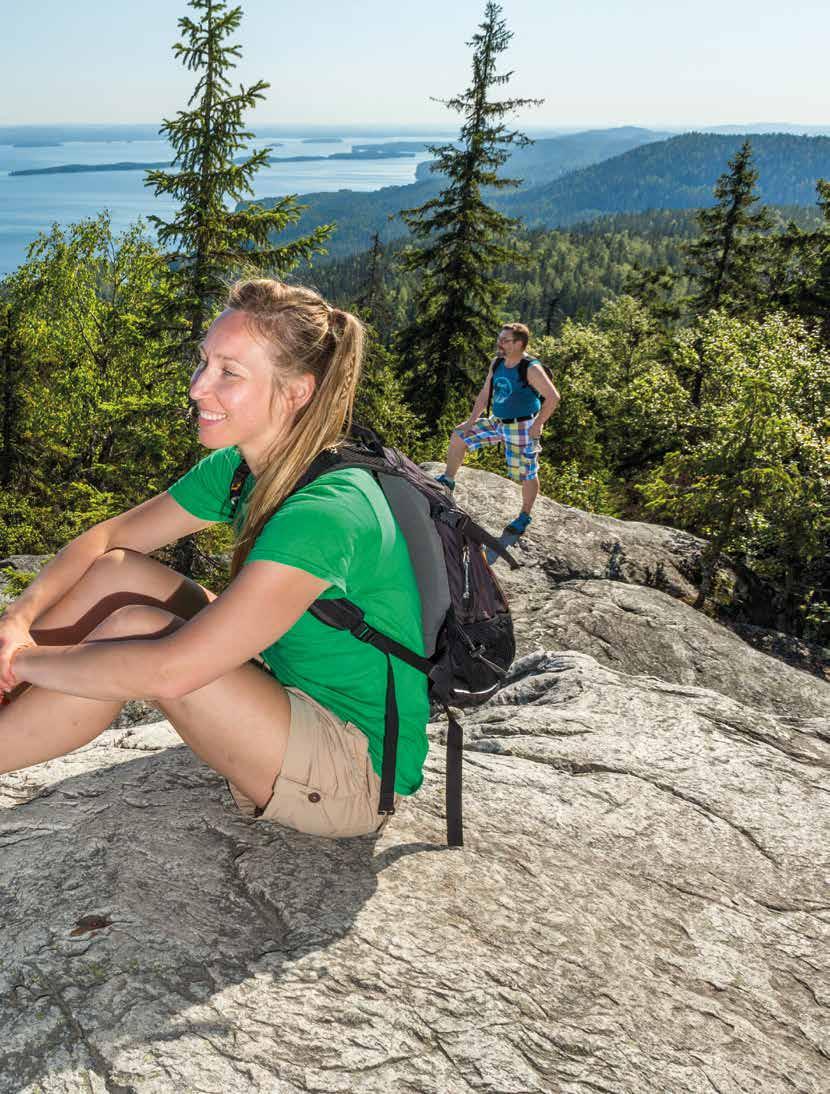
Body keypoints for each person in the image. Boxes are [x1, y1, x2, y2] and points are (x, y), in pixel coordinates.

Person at [0, 279, 429, 839]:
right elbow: (106, 541)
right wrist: (18, 621)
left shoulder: (327, 511)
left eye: (230, 372)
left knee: (138, 631)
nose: (199, 386)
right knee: (118, 574)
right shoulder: (245, 469)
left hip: (350, 769)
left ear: (297, 391)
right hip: (286, 688)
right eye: (204, 361)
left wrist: (23, 663)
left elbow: (170, 671)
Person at [435, 323, 560, 535]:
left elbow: (553, 397)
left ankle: (524, 516)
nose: (499, 343)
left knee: (527, 472)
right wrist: (471, 421)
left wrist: (537, 425)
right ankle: (448, 480)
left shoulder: (530, 368)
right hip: (497, 421)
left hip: (522, 427)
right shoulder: (497, 363)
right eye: (499, 339)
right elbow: (485, 393)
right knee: (459, 435)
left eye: (505, 340)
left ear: (519, 344)